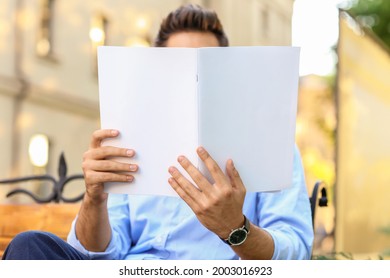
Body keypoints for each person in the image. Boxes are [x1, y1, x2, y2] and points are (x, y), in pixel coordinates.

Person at [3, 4, 313, 260]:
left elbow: (295, 250)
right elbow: (98, 253)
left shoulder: (270, 143)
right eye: (178, 68)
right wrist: (94, 199)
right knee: (30, 246)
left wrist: (235, 228)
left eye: (203, 70)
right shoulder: (130, 140)